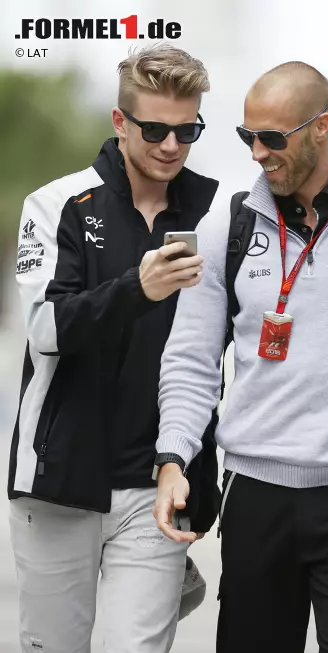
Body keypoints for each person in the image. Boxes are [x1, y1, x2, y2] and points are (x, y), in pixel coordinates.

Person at [153, 61, 328, 652]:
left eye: (273, 138)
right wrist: (175, 456)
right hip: (254, 497)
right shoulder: (226, 227)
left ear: (320, 128)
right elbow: (191, 358)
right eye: (247, 136)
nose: (258, 152)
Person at [8, 43, 220, 653]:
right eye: (155, 129)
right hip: (58, 482)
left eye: (187, 130)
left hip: (157, 484)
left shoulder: (213, 213)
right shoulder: (57, 204)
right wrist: (138, 289)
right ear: (120, 122)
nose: (171, 146)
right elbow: (45, 330)